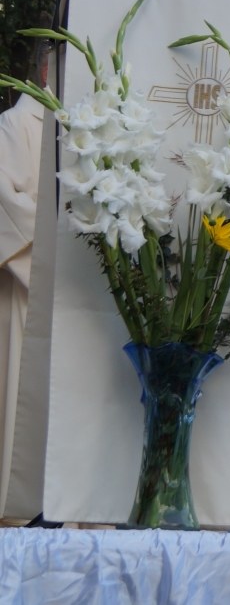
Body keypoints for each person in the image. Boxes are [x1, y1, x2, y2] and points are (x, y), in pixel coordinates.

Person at [0, 51, 45, 523]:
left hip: (72, 290)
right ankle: (16, 510)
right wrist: (55, 241)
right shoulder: (16, 124)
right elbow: (3, 199)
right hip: (25, 285)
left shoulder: (77, 122)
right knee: (20, 393)